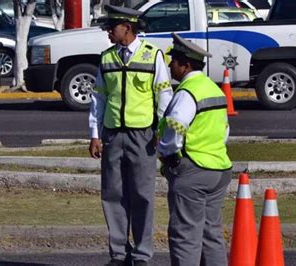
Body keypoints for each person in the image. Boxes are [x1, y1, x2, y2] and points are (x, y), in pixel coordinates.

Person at [88, 5, 173, 266]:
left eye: (112, 27)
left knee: (143, 195)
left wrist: (161, 131)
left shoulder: (152, 56)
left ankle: (142, 254)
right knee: (112, 194)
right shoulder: (106, 59)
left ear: (128, 27)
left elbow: (164, 96)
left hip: (143, 136)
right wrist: (94, 134)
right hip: (113, 135)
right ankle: (118, 253)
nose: (108, 33)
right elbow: (98, 99)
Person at [157, 33, 233, 266]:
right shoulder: (214, 89)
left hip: (193, 171)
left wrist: (169, 154)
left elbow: (175, 126)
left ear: (186, 65)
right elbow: (225, 130)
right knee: (211, 236)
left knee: (185, 237)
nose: (170, 66)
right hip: (219, 169)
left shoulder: (187, 92)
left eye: (174, 61)